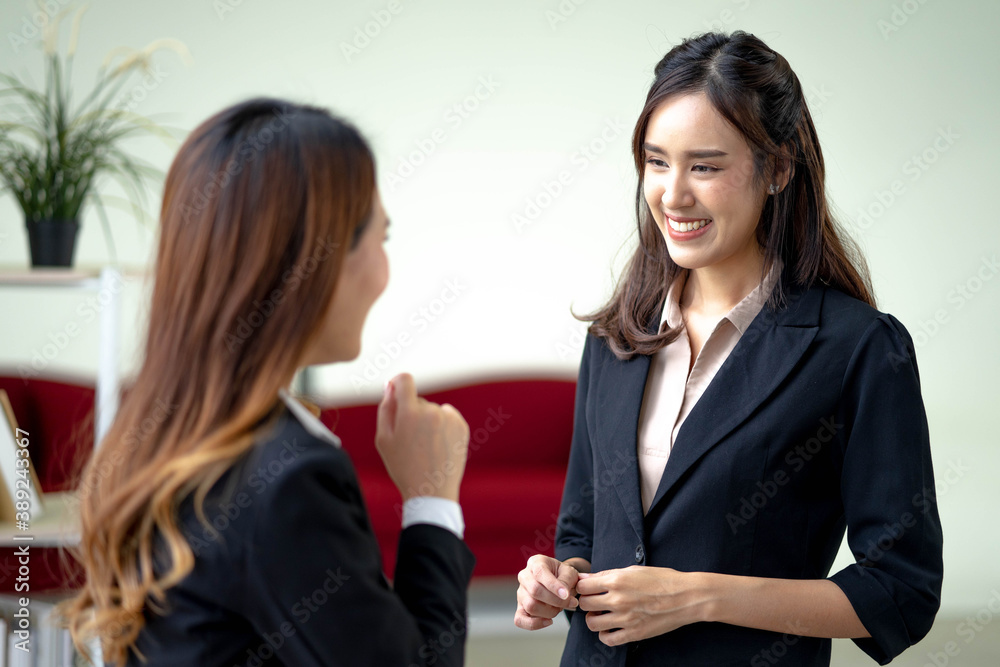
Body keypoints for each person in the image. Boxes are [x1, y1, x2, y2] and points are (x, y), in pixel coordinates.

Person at [515, 31, 943, 666]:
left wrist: (699, 597)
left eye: (705, 166)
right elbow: (584, 529)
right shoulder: (616, 337)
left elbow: (900, 589)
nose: (672, 194)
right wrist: (556, 576)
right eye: (656, 162)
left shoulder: (858, 350)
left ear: (778, 170)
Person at [59, 98, 475, 666]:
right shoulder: (288, 481)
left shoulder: (161, 436)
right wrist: (432, 499)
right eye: (382, 237)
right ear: (317, 261)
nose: (384, 270)